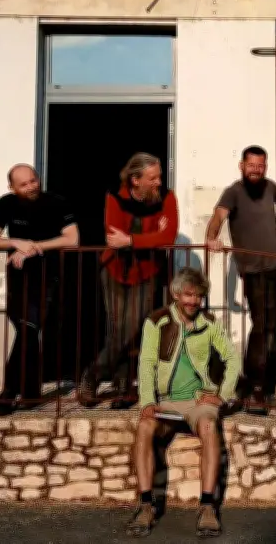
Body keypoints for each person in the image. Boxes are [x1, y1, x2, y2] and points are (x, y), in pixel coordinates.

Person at [127, 267, 241, 538]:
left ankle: (207, 506)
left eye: (198, 296)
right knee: (144, 427)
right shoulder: (156, 321)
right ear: (176, 293)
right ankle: (145, 504)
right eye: (188, 295)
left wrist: (222, 395)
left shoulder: (210, 322)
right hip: (165, 400)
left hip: (198, 399)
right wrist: (146, 401)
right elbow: (146, 364)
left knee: (210, 426)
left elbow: (233, 359)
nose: (193, 301)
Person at [80, 153, 178, 409]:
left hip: (147, 271)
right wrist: (151, 235)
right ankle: (123, 385)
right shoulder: (115, 196)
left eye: (159, 177)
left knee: (132, 326)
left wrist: (133, 240)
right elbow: (114, 236)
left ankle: (93, 375)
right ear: (136, 180)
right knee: (118, 327)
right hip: (114, 268)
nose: (159, 182)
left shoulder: (167, 197)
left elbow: (168, 236)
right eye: (153, 178)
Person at [0, 164, 79, 416]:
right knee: (27, 331)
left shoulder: (57, 202)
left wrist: (35, 247)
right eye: (23, 184)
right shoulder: (6, 203)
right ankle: (32, 393)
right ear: (12, 187)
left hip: (48, 277)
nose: (31, 186)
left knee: (28, 329)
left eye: (33, 181)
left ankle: (8, 393)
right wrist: (16, 242)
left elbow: (72, 238)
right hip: (18, 278)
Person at [205, 145, 276, 414]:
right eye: (252, 165)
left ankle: (265, 390)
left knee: (273, 325)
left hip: (273, 267)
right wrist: (211, 238)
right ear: (242, 166)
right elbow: (218, 216)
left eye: (261, 166)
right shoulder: (234, 191)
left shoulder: (270, 187)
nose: (256, 170)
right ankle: (254, 389)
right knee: (261, 325)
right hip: (252, 269)